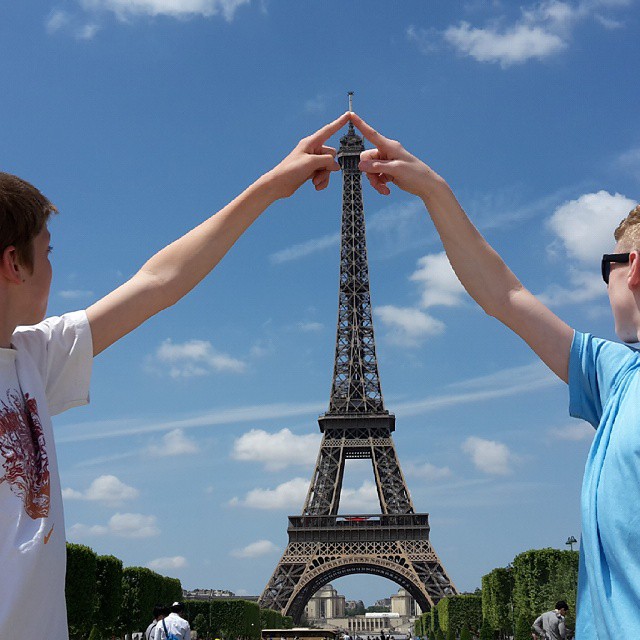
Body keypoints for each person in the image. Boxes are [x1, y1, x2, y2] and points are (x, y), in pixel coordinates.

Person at [0, 111, 349, 640]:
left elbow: (160, 281)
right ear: (14, 263)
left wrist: (270, 187)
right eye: (48, 252)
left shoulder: (34, 356)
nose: (54, 266)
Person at [348, 111, 640, 639]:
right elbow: (503, 294)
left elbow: (505, 297)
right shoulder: (615, 372)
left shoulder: (619, 379)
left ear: (633, 267)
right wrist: (434, 190)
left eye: (608, 265)